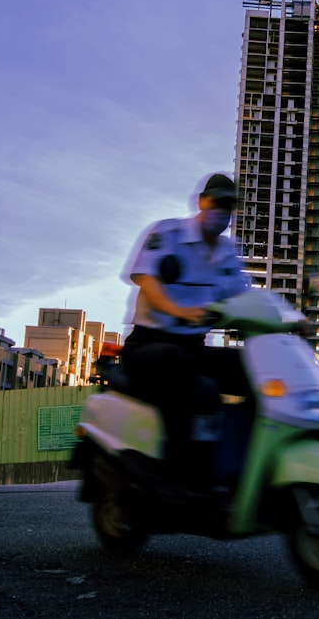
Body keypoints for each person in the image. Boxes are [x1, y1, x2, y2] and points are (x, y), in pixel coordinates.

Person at [119, 172, 252, 489]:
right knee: (193, 382)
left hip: (193, 346)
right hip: (150, 344)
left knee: (254, 371)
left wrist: (290, 320)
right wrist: (178, 310)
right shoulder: (168, 233)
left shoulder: (227, 252)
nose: (223, 211)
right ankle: (180, 476)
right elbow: (146, 280)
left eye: (230, 205)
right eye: (219, 202)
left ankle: (238, 466)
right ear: (202, 202)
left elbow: (245, 297)